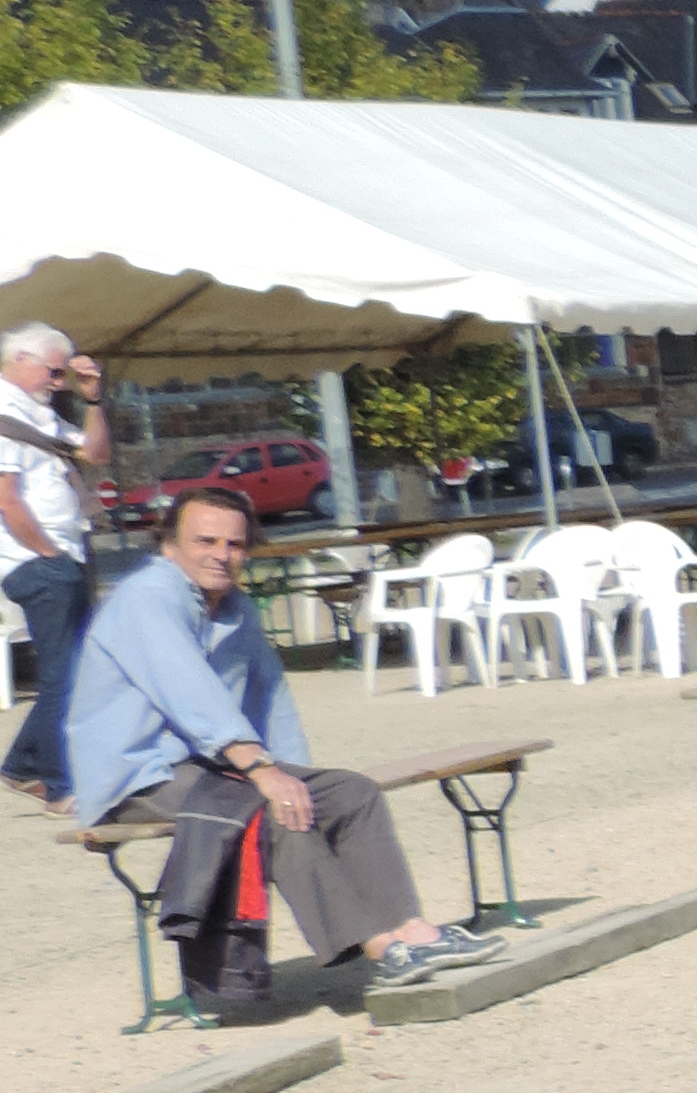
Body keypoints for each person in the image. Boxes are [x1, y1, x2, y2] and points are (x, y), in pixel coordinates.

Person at [62, 484, 503, 994]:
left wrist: (293, 775)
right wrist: (263, 774)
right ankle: (381, 949)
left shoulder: (234, 607)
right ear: (169, 545)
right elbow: (189, 690)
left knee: (351, 792)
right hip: (137, 774)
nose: (222, 556)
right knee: (268, 810)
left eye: (235, 544)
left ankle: (410, 930)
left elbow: (268, 698)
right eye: (206, 541)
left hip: (205, 766)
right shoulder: (146, 598)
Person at [0, 322, 114, 806]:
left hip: (61, 555)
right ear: (20, 360)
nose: (59, 381)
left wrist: (93, 401)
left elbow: (94, 453)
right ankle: (59, 783)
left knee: (77, 668)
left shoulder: (37, 414)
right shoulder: (5, 413)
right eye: (54, 371)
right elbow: (6, 500)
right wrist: (48, 553)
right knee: (64, 672)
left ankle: (24, 765)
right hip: (35, 560)